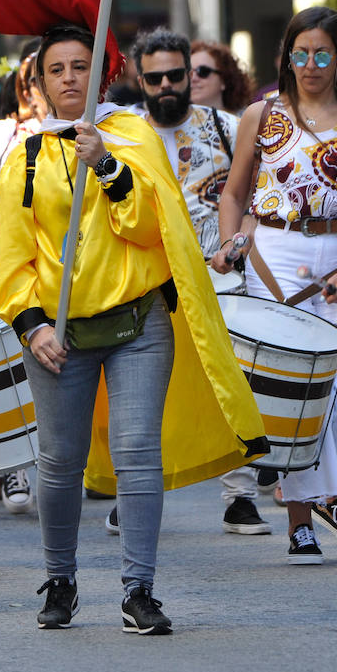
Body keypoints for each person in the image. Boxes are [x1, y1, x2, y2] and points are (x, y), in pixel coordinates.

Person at [0, 23, 266, 633]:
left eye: (80, 66)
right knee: (60, 461)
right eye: (56, 70)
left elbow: (154, 230)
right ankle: (59, 580)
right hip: (58, 336)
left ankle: (138, 589)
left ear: (102, 73)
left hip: (139, 322)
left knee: (138, 452)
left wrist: (109, 166)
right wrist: (33, 326)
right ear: (39, 83)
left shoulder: (133, 136)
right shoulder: (24, 157)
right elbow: (12, 261)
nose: (69, 79)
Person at [212, 6, 337, 564]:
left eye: (323, 54)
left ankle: (335, 495)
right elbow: (232, 193)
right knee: (298, 393)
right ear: (286, 58)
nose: (311, 64)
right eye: (301, 53)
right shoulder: (260, 115)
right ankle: (305, 519)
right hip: (277, 251)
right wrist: (229, 243)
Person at [127, 29, 268, 536]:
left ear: (191, 75)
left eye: (176, 75)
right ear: (137, 79)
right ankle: (137, 493)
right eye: (155, 77)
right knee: (145, 391)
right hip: (148, 283)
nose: (166, 85)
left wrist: (239, 243)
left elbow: (260, 199)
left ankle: (240, 496)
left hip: (219, 277)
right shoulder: (123, 134)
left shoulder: (228, 128)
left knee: (232, 379)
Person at [189, 40, 252, 114]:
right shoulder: (174, 122)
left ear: (224, 79)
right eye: (188, 73)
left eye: (203, 71)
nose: (193, 78)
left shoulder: (246, 121)